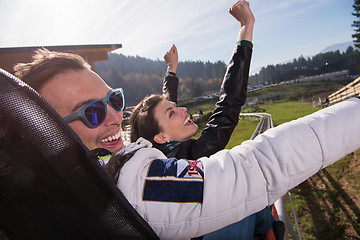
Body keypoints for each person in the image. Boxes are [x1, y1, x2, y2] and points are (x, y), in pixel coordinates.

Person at [13, 1, 360, 239]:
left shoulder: (74, 182)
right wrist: (245, 32)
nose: (115, 117)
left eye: (114, 99)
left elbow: (162, 112)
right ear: (47, 132)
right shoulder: (145, 173)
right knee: (252, 211)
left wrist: (171, 73)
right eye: (93, 111)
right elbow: (232, 114)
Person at [129, 2, 280, 238]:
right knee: (252, 192)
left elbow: (165, 108)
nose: (184, 110)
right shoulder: (189, 160)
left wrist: (171, 71)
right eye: (173, 113)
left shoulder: (154, 155)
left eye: (176, 107)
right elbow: (228, 104)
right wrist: (245, 28)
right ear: (162, 137)